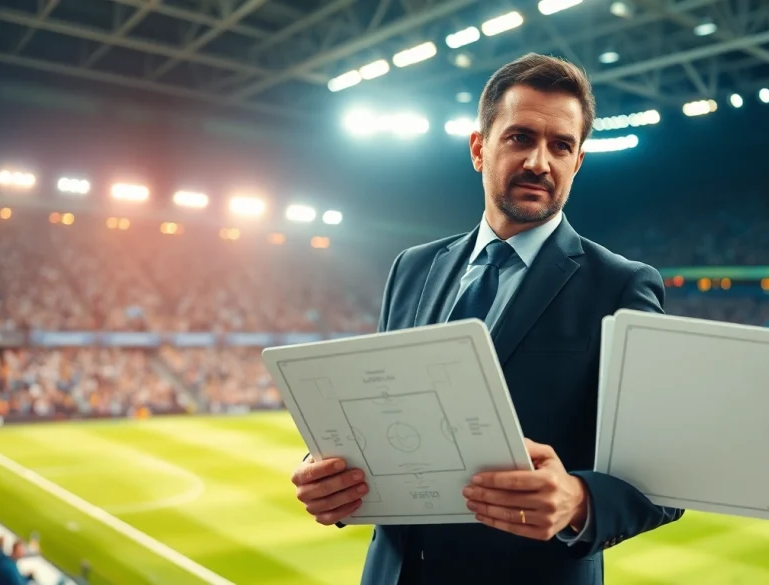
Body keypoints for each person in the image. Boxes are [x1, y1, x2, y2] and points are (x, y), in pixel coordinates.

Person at [290, 53, 684, 585]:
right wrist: (330, 474)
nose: (540, 162)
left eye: (561, 145)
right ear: (479, 148)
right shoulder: (414, 267)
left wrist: (579, 500)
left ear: (578, 163)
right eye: (520, 137)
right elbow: (382, 411)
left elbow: (666, 478)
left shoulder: (621, 285)